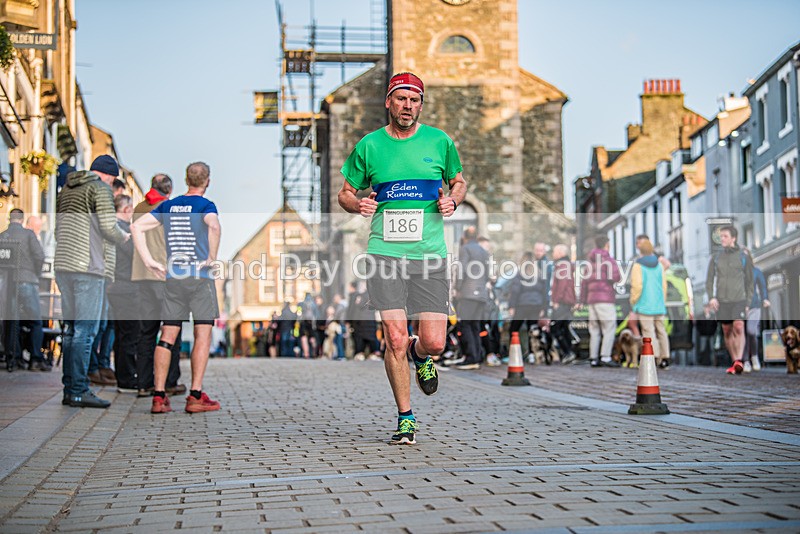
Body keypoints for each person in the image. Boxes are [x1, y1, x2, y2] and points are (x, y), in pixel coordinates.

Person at [338, 71, 467, 445]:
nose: (407, 106)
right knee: (393, 337)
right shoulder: (370, 146)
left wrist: (452, 199)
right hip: (384, 252)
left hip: (430, 256)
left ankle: (419, 352)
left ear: (420, 105)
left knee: (435, 342)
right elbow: (345, 192)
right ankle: (406, 418)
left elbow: (458, 181)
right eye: (401, 99)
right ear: (389, 102)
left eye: (414, 101)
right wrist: (356, 203)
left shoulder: (439, 141)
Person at [131, 161, 222, 414]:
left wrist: (149, 261)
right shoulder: (206, 205)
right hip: (199, 277)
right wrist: (211, 258)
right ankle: (195, 395)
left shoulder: (168, 206)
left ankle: (159, 396)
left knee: (167, 336)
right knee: (202, 334)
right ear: (207, 181)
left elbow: (136, 227)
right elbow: (213, 226)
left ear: (186, 179)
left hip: (173, 278)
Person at [55, 155, 129, 408]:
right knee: (86, 330)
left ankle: (70, 388)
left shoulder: (66, 188)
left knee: (71, 330)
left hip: (64, 265)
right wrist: (126, 237)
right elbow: (109, 227)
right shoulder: (100, 189)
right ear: (108, 176)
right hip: (89, 266)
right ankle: (78, 390)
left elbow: (58, 227)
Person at [131, 174, 185, 397]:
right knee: (172, 331)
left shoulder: (139, 208)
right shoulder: (171, 209)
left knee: (146, 332)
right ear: (169, 190)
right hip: (166, 276)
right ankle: (170, 382)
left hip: (142, 276)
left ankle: (144, 384)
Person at [0, 208, 49, 372]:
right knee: (35, 321)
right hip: (27, 280)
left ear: (9, 218)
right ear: (22, 219)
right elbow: (40, 256)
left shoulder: (3, 236)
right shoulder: (28, 235)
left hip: (7, 284)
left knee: (12, 321)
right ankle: (35, 358)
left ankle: (15, 357)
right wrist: (35, 273)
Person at [705, 225, 754, 375]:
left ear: (733, 238)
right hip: (722, 300)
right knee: (727, 331)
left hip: (739, 299)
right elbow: (709, 280)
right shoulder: (716, 258)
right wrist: (711, 297)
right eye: (721, 237)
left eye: (725, 236)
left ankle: (739, 360)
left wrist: (748, 302)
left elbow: (750, 281)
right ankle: (734, 362)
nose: (722, 239)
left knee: (738, 327)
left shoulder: (744, 257)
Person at [106, 195, 139, 392]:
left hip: (114, 287)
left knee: (120, 334)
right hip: (126, 288)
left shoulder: (110, 229)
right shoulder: (124, 232)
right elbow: (136, 255)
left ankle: (122, 377)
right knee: (130, 335)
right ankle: (127, 379)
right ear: (126, 209)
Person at [580, 235, 622, 368]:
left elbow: (584, 283)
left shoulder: (589, 263)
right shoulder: (608, 260)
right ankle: (605, 356)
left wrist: (582, 300)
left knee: (594, 329)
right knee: (609, 327)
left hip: (592, 300)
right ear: (607, 245)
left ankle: (593, 358)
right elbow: (616, 277)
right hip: (605, 299)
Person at [453, 226, 491, 370]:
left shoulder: (465, 248)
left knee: (464, 324)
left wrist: (457, 288)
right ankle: (477, 357)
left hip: (468, 292)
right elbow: (487, 272)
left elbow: (461, 269)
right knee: (475, 325)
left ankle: (470, 358)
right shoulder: (483, 251)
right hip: (481, 293)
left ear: (464, 237)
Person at [629, 238, 670, 368]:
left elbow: (637, 286)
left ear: (640, 251)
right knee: (661, 330)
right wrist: (662, 301)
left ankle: (655, 356)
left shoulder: (638, 266)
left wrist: (633, 301)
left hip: (644, 304)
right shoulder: (659, 265)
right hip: (658, 303)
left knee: (648, 331)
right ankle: (665, 357)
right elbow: (664, 285)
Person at [508, 243, 550, 363]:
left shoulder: (520, 273)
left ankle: (515, 353)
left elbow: (515, 290)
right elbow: (544, 291)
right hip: (536, 305)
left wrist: (512, 305)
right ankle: (533, 354)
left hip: (522, 305)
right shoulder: (539, 274)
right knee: (533, 330)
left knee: (514, 329)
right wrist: (544, 307)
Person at [549, 243, 577, 364]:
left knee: (555, 327)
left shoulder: (563, 265)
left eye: (554, 251)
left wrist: (556, 300)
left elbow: (562, 284)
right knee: (564, 327)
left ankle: (568, 352)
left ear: (561, 253)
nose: (553, 254)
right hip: (567, 301)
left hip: (562, 301)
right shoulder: (565, 265)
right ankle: (569, 353)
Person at [744, 252, 769, 373]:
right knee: (743, 335)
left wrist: (765, 299)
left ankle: (754, 356)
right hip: (740, 308)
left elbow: (763, 286)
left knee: (751, 331)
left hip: (754, 307)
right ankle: (745, 361)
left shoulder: (756, 271)